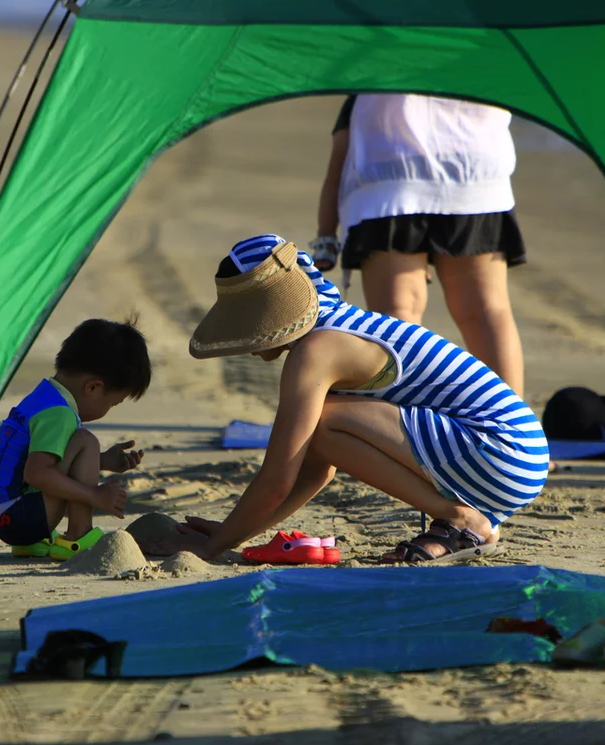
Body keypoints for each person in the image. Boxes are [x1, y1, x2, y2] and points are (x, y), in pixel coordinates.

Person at [180, 234, 548, 563]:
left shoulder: (318, 350)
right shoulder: (340, 325)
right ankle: (466, 523)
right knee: (317, 430)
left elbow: (278, 477)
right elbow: (314, 469)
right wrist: (231, 532)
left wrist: (211, 549)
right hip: (519, 458)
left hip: (500, 447)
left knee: (318, 423)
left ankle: (463, 520)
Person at [312, 94, 527, 396]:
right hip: (473, 168)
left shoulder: (373, 66)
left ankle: (407, 422)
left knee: (399, 314)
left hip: (389, 174)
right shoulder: (477, 51)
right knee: (485, 310)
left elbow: (339, 161)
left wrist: (325, 236)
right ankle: (513, 427)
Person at [0, 318, 151, 561]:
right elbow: (37, 474)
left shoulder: (43, 397)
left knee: (81, 445)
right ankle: (77, 537)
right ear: (93, 387)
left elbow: (36, 457)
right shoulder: (60, 414)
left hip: (2, 516)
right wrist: (95, 495)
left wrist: (102, 462)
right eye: (112, 403)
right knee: (85, 440)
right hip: (20, 519)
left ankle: (34, 542)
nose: (108, 409)